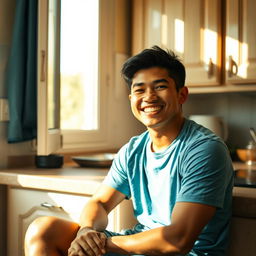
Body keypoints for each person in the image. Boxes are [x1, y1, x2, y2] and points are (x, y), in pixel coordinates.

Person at [25, 46, 234, 256]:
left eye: (160, 87)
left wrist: (100, 245)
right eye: (139, 90)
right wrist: (86, 232)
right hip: (136, 250)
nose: (149, 97)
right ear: (131, 99)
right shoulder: (133, 150)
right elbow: (99, 202)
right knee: (43, 230)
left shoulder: (205, 149)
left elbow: (177, 240)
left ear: (182, 94)